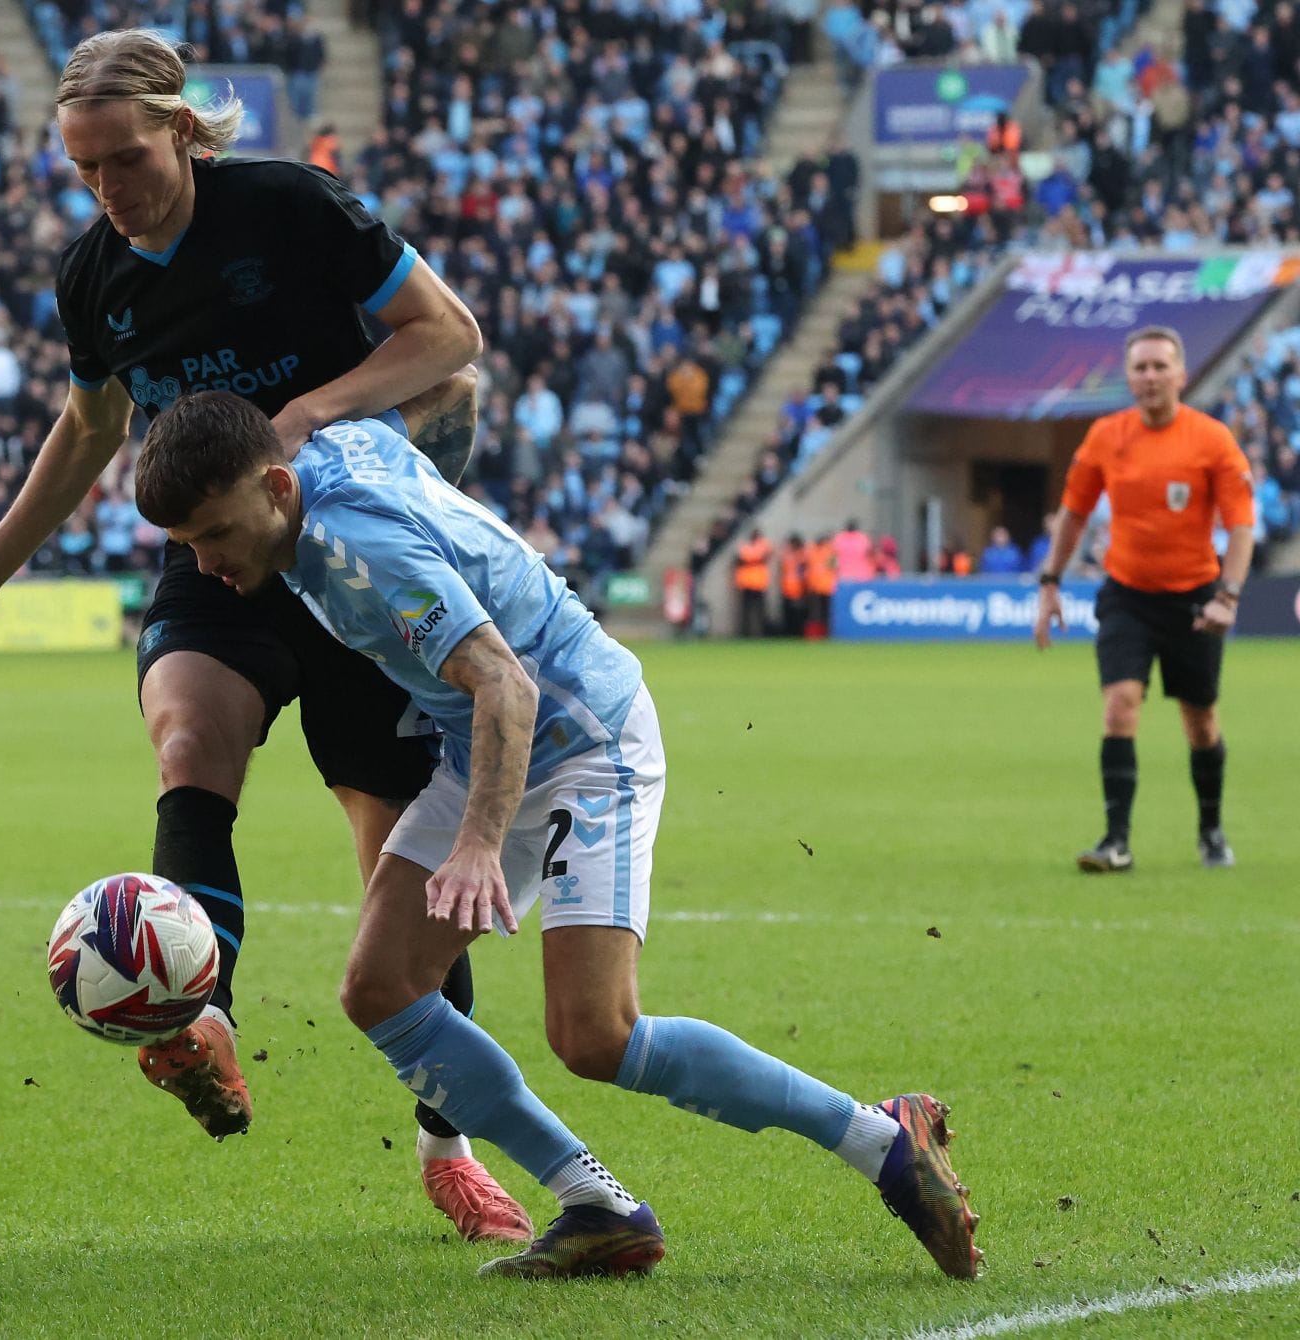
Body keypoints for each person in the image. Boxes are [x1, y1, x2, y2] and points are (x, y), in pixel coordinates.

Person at [0, 30, 526, 1241]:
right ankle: (204, 1018)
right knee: (190, 737)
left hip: (349, 548)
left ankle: (447, 1141)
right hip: (221, 557)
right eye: (84, 172)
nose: (108, 192)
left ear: (183, 131)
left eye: (125, 161)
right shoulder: (97, 275)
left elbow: (449, 337)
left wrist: (304, 414)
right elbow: (85, 433)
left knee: (394, 859)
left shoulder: (291, 207)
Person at [135, 391, 982, 1281]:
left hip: (583, 739)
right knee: (381, 987)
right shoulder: (330, 453)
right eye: (187, 543)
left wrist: (473, 844)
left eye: (214, 535)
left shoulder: (360, 552)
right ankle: (597, 1207)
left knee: (595, 1034)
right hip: (481, 741)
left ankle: (882, 1139)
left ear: (274, 486)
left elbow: (507, 684)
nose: (204, 562)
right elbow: (450, 389)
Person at [1034, 326, 1254, 872]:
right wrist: (1050, 582)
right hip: (1127, 595)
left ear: (1183, 374)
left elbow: (1241, 525)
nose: (1150, 377)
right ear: (1128, 376)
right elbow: (1074, 513)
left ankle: (1210, 831)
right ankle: (1116, 841)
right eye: (1140, 368)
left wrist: (1228, 594)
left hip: (1196, 599)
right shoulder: (1106, 436)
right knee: (1119, 705)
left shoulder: (1211, 440)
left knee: (1200, 721)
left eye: (1160, 366)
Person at [732, 529, 771, 637]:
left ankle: (762, 632)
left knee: (760, 611)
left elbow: (764, 556)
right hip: (747, 583)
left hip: (759, 583)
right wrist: (753, 560)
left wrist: (750, 560)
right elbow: (740, 559)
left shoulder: (762, 544)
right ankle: (746, 633)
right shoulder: (745, 546)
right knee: (746, 611)